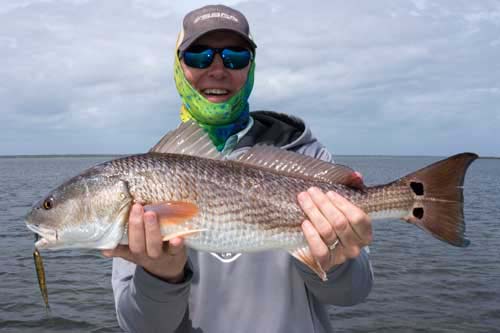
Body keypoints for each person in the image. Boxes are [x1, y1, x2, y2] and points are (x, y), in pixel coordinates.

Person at [103, 5, 373, 333]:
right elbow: (139, 327)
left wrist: (336, 261)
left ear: (252, 68)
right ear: (177, 65)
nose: (217, 69)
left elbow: (354, 293)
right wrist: (161, 276)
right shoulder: (148, 178)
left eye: (235, 56)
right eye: (198, 56)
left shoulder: (308, 157)